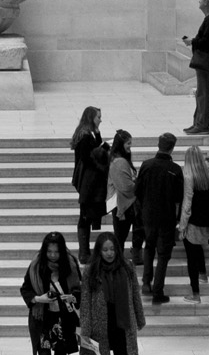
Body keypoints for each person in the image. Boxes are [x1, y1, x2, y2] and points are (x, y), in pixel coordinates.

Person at [78, 232, 146, 355]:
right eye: (105, 249)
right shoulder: (90, 271)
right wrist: (85, 329)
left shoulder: (127, 267)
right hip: (100, 325)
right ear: (99, 251)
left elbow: (135, 295)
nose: (109, 253)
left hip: (122, 324)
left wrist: (139, 319)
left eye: (112, 249)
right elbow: (86, 302)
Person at [19, 231, 82, 355]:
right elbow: (25, 289)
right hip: (42, 320)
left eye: (56, 252)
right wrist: (39, 299)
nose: (53, 255)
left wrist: (72, 297)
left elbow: (80, 289)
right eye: (49, 251)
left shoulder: (70, 265)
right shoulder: (36, 266)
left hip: (63, 320)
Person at [133, 131, 183, 304]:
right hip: (166, 217)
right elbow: (179, 198)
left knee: (149, 248)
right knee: (163, 254)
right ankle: (158, 291)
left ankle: (146, 282)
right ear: (172, 148)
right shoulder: (175, 170)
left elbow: (137, 191)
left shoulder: (146, 165)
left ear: (158, 145)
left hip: (148, 215)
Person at [179, 145, 209, 302]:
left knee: (191, 256)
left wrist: (182, 226)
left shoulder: (189, 176)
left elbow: (187, 204)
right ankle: (203, 274)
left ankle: (195, 293)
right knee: (197, 249)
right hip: (208, 221)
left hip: (194, 221)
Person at [181, 0, 209, 134]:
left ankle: (202, 124)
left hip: (206, 61)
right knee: (200, 93)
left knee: (203, 93)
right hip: (205, 60)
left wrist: (192, 41)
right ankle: (198, 122)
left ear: (207, 2)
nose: (199, 1)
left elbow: (207, 42)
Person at [69, 106, 104, 263]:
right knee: (85, 215)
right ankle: (83, 253)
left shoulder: (89, 133)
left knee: (86, 214)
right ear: (91, 118)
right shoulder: (85, 136)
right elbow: (88, 158)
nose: (101, 120)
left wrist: (98, 134)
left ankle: (85, 251)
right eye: (98, 117)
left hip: (87, 180)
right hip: (87, 181)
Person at [107, 130, 142, 263]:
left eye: (130, 143)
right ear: (121, 144)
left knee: (126, 234)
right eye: (128, 143)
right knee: (120, 236)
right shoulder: (119, 162)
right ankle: (118, 261)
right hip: (123, 204)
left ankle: (123, 258)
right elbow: (126, 187)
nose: (130, 146)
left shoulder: (119, 159)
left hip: (126, 203)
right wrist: (138, 184)